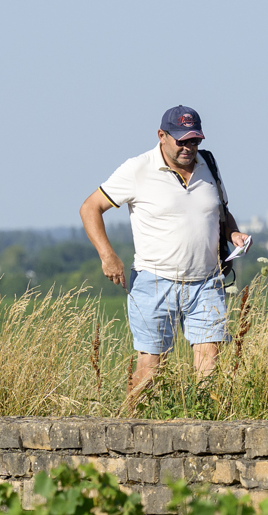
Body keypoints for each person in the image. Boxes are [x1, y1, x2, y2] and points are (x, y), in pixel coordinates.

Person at [82, 105, 252, 412]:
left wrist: (234, 234)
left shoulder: (209, 165)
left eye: (194, 140)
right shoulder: (138, 169)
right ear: (162, 136)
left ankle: (205, 425)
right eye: (182, 141)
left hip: (207, 282)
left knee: (210, 363)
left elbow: (220, 212)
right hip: (154, 281)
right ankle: (130, 425)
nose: (189, 147)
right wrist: (108, 256)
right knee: (151, 367)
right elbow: (90, 208)